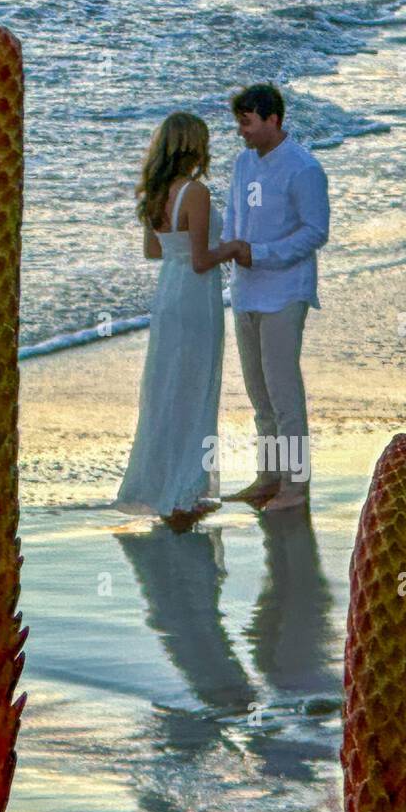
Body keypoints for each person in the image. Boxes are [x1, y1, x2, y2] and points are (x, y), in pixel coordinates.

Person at [115, 112, 244, 528]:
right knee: (195, 386)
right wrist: (235, 247)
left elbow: (155, 252)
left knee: (167, 387)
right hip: (195, 296)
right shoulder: (196, 193)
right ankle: (185, 494)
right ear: (193, 146)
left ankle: (164, 487)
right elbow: (204, 259)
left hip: (168, 294)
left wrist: (192, 251)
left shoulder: (155, 192)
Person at [221, 83, 330, 512]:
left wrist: (260, 253)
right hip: (245, 291)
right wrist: (231, 250)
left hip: (286, 291)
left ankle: (295, 485)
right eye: (239, 123)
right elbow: (233, 217)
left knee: (285, 394)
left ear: (273, 119)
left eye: (247, 122)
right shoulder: (243, 163)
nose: (242, 132)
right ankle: (268, 476)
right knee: (258, 392)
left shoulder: (303, 167)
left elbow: (315, 231)